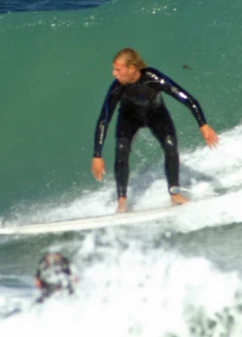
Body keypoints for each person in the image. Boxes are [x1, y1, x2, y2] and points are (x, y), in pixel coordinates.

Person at [92, 48, 219, 213]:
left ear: (132, 68)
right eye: (114, 69)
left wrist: (203, 124)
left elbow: (188, 99)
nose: (114, 74)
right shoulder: (117, 88)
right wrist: (97, 154)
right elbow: (103, 120)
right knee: (121, 150)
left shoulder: (153, 78)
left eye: (118, 69)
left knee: (170, 146)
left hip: (156, 114)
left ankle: (175, 193)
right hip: (129, 117)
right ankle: (122, 200)